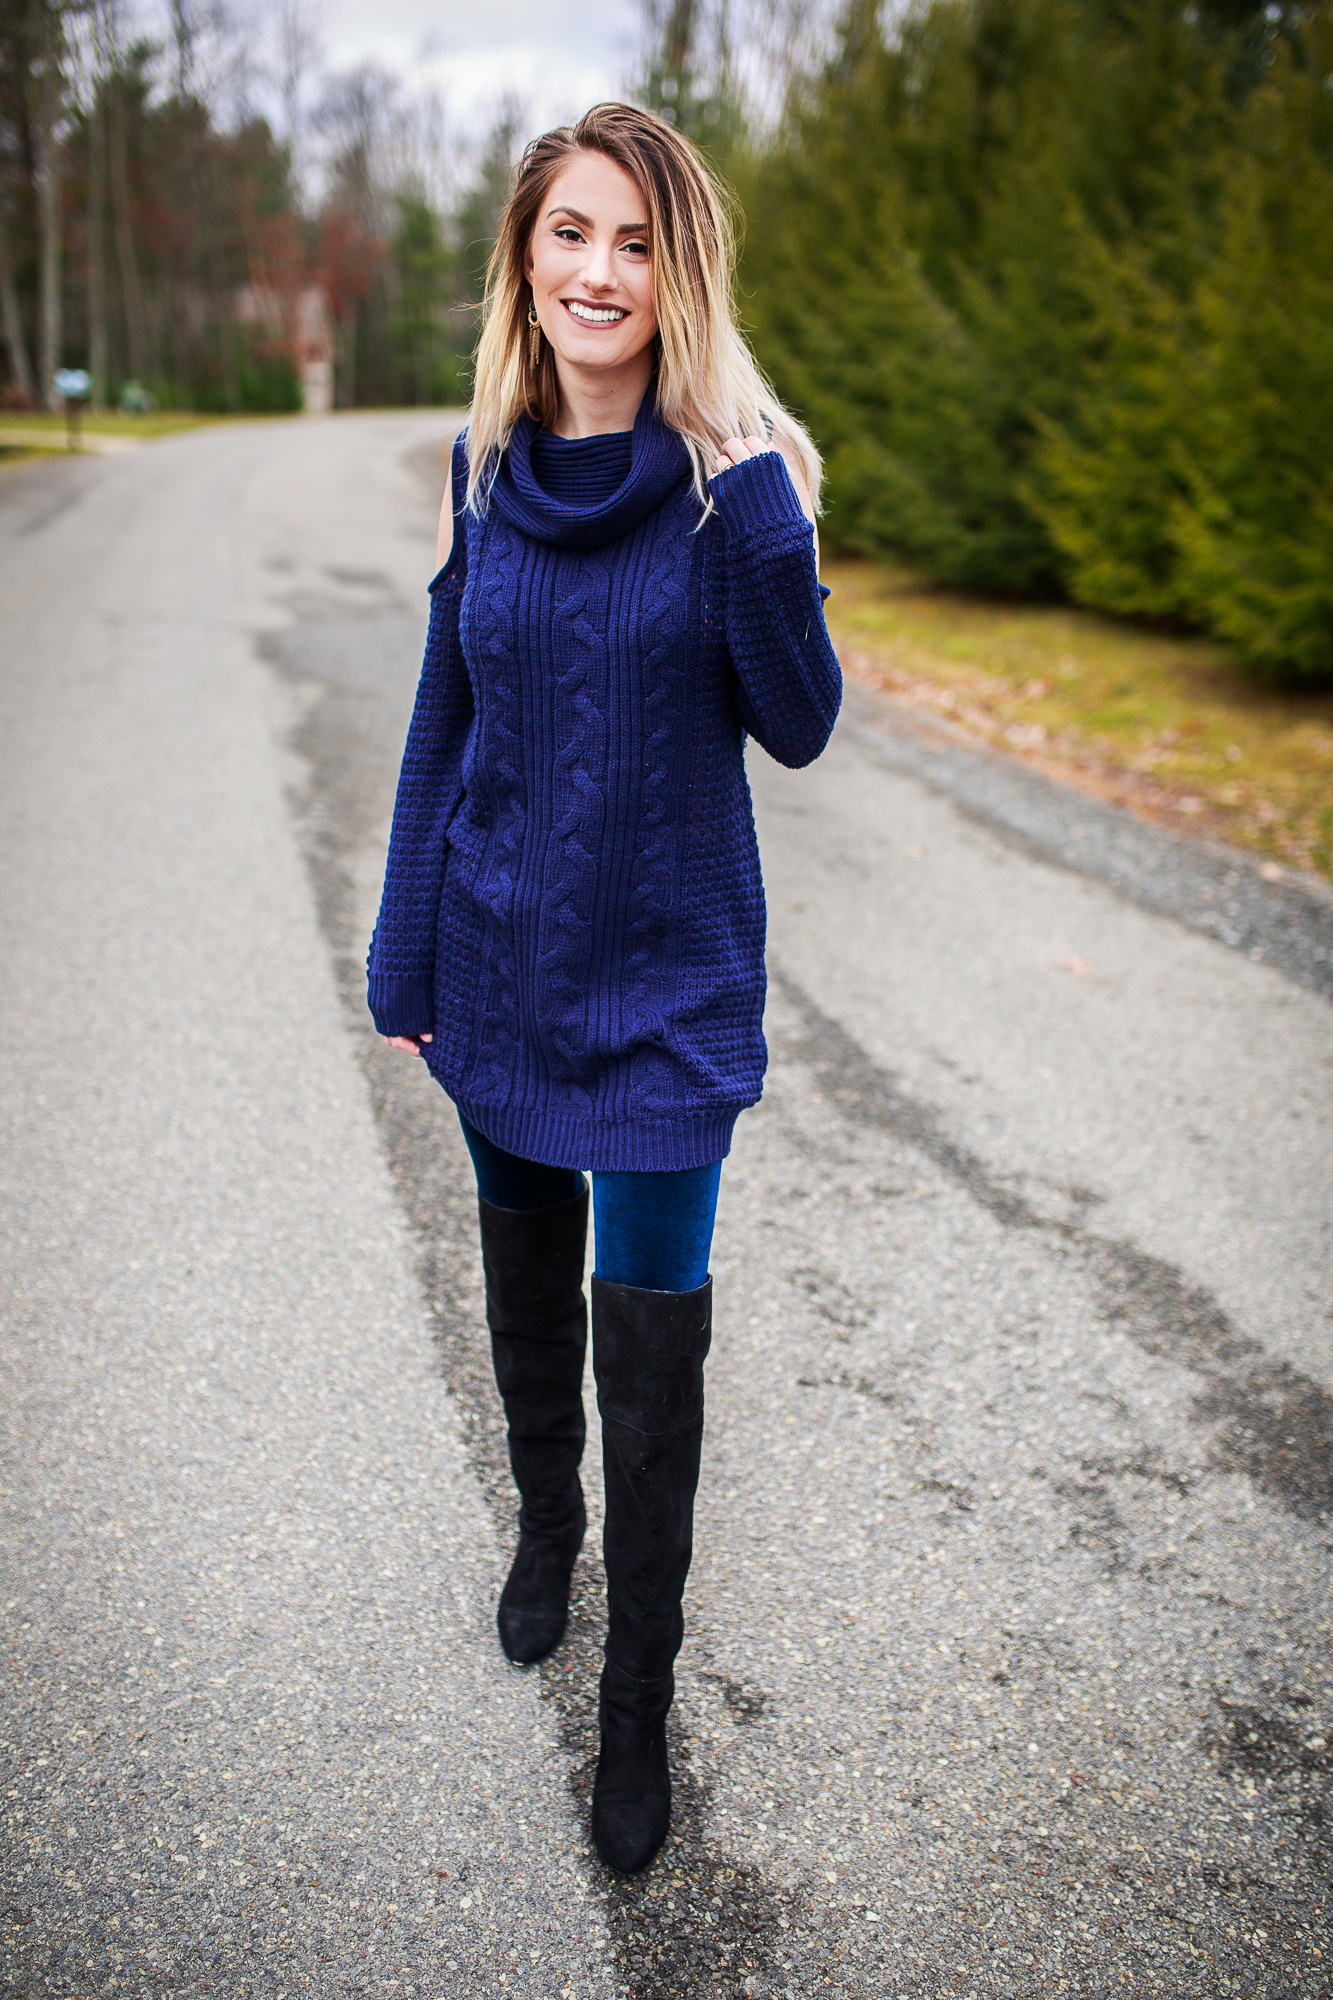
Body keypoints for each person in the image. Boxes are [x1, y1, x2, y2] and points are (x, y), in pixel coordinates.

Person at [367, 100, 840, 1874]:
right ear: (525, 257)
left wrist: (764, 522)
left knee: (652, 1355)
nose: (599, 271)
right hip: (497, 967)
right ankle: (542, 1526)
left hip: (663, 1000)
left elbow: (796, 725)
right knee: (519, 1290)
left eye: (636, 240)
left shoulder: (738, 482)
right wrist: (404, 943)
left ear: (678, 270)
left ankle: (636, 1690)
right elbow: (443, 717)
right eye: (572, 232)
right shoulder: (481, 464)